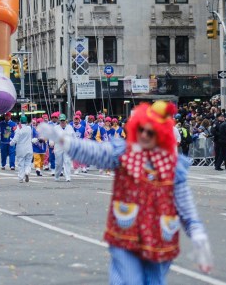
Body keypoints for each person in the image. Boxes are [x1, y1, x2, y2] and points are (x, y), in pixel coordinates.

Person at [37, 101, 212, 284]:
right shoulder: (124, 154)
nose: (144, 135)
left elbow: (184, 205)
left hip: (160, 239)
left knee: (154, 281)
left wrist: (198, 234)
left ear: (161, 134)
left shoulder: (173, 166)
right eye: (141, 129)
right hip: (126, 233)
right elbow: (95, 152)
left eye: (150, 132)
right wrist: (64, 140)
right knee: (128, 280)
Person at [10, 114, 33, 183]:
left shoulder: (18, 129)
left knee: (21, 163)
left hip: (20, 148)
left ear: (20, 121)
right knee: (28, 162)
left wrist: (11, 143)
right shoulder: (29, 128)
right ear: (26, 122)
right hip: (29, 147)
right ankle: (27, 171)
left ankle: (21, 178)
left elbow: (15, 139)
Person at [52, 114, 72, 182]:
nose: (62, 122)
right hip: (58, 147)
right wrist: (51, 143)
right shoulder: (56, 128)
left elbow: (74, 137)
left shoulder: (70, 127)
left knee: (67, 161)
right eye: (61, 121)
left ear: (66, 120)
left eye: (63, 121)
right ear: (59, 121)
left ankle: (68, 177)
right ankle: (57, 176)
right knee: (58, 163)